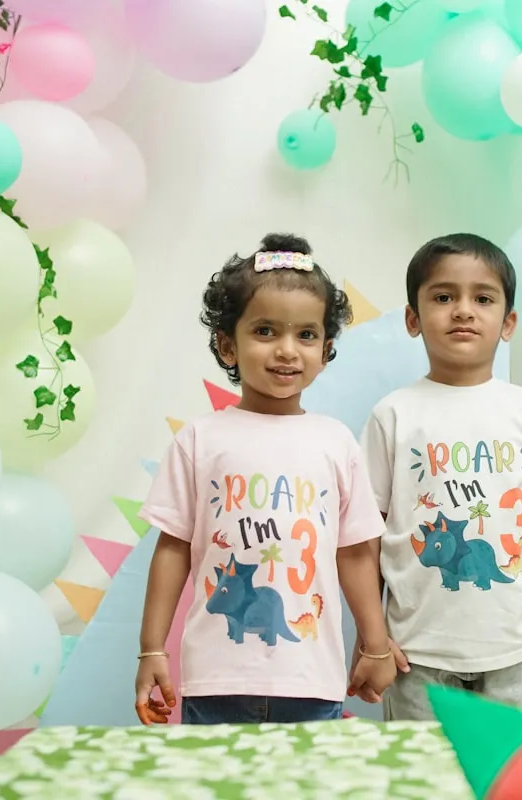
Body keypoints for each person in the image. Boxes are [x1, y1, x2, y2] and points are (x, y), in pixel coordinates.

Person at [134, 233, 396, 726]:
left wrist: (376, 646)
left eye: (306, 335)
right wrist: (151, 651)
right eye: (266, 331)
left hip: (312, 681)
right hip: (215, 682)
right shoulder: (200, 439)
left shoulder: (335, 442)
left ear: (327, 348)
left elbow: (357, 552)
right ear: (227, 345)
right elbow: (172, 548)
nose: (286, 350)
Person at [358, 233, 522, 721]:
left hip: (511, 648)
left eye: (482, 299)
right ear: (413, 319)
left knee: (502, 773)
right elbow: (368, 536)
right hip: (415, 651)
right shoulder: (393, 415)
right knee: (420, 779)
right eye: (444, 297)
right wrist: (371, 633)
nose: (463, 310)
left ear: (508, 323)